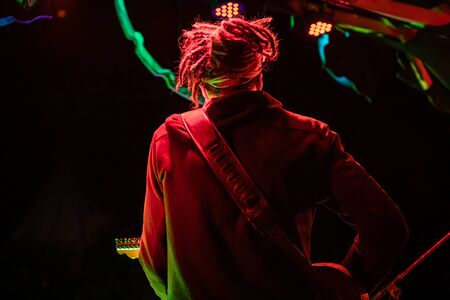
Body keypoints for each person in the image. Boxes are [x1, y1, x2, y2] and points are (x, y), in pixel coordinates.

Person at [139, 16, 408, 299]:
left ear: (201, 82)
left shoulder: (168, 140)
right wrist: (347, 282)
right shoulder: (308, 137)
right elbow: (387, 226)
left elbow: (153, 260)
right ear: (259, 76)